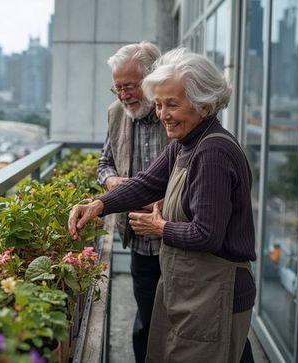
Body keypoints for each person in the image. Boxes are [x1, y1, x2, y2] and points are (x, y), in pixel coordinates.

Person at [69, 48, 256, 363]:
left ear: (204, 104)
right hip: (197, 289)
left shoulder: (211, 153)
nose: (162, 114)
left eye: (172, 104)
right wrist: (98, 204)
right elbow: (145, 183)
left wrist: (159, 227)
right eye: (158, 104)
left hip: (216, 293)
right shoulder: (187, 142)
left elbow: (206, 235)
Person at [97, 41, 168, 363]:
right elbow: (103, 165)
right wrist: (112, 182)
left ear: (152, 79)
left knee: (186, 326)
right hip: (140, 240)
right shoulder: (116, 114)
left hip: (180, 237)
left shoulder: (177, 110)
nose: (124, 95)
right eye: (118, 88)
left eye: (130, 86)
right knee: (146, 323)